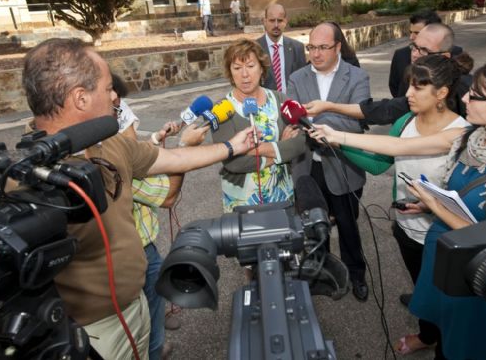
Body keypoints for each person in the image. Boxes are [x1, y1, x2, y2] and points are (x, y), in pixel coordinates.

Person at [20, 38, 255, 359]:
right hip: (93, 334)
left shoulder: (110, 145)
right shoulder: (19, 185)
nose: (115, 95)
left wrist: (231, 147)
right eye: (107, 88)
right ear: (80, 97)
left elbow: (168, 160)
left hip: (137, 306)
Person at [308, 57, 486, 359]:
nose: (464, 97)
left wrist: (434, 206)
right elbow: (398, 147)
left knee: (460, 348)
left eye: (475, 95)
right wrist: (337, 136)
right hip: (444, 253)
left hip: (474, 272)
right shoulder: (468, 138)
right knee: (443, 331)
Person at [111, 74, 208, 360]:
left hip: (134, 248)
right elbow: (167, 197)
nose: (130, 125)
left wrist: (155, 138)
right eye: (123, 119)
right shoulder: (114, 163)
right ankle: (154, 349)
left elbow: (138, 149)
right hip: (134, 253)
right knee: (145, 318)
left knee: (149, 301)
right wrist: (185, 149)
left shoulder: (105, 144)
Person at [384, 55, 472, 355]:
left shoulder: (463, 134)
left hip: (443, 239)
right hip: (407, 231)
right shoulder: (407, 120)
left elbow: (464, 198)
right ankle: (426, 334)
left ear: (442, 93)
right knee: (421, 291)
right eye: (409, 85)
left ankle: (443, 346)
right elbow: (384, 154)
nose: (408, 94)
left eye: (417, 88)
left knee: (445, 303)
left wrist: (428, 206)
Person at [287, 22, 371, 302]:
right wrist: (314, 124)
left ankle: (356, 273)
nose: (316, 53)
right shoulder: (297, 78)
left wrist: (317, 120)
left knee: (348, 225)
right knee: (312, 225)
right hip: (308, 167)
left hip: (344, 166)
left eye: (323, 47)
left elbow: (357, 123)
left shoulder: (357, 77)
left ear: (338, 47)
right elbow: (291, 117)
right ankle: (318, 273)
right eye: (311, 47)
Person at [304, 22, 471, 125]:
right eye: (414, 47)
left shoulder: (464, 92)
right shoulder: (413, 77)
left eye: (424, 50)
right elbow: (386, 109)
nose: (414, 54)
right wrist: (330, 107)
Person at [211, 39, 306, 212]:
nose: (244, 74)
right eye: (237, 68)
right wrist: (281, 149)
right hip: (242, 200)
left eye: (250, 66)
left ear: (262, 68)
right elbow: (233, 162)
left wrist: (252, 149)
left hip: (282, 192)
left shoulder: (280, 99)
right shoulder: (221, 110)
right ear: (230, 73)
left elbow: (300, 142)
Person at [389, 10, 463, 97]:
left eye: (417, 33)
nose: (411, 37)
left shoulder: (455, 53)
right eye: (411, 32)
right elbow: (394, 86)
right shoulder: (400, 55)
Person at [257, 4, 306, 93]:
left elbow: (303, 80)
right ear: (264, 21)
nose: (276, 25)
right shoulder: (254, 48)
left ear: (285, 22)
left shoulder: (297, 48)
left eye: (280, 20)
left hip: (291, 103)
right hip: (265, 104)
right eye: (272, 20)